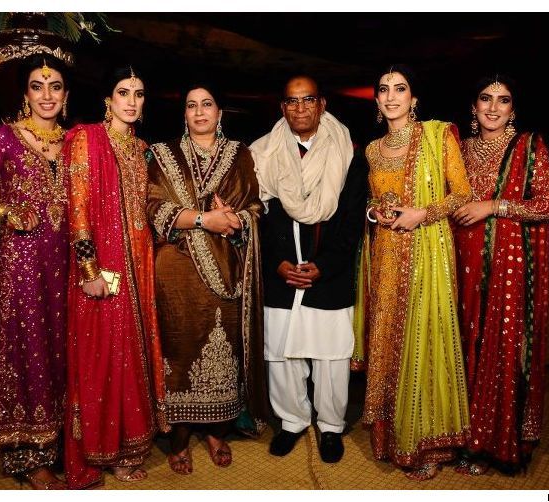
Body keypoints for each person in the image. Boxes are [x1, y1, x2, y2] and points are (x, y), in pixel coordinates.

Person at [0, 54, 70, 489]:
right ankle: (27, 452)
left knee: (64, 351)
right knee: (27, 350)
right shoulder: (3, 137)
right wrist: (6, 209)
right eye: (38, 87)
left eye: (55, 87)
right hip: (21, 266)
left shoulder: (74, 142)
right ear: (25, 94)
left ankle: (62, 443)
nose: (47, 95)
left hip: (67, 266)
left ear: (66, 95)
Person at [146, 81, 269, 475]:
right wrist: (204, 219)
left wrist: (236, 219)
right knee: (179, 348)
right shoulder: (162, 155)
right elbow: (153, 206)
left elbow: (255, 207)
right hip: (175, 269)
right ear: (184, 114)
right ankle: (179, 437)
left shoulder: (240, 154)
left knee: (224, 349)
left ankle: (218, 430)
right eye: (191, 105)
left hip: (227, 267)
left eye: (207, 104)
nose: (199, 112)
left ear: (219, 113)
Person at [360, 65, 472, 480]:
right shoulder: (372, 149)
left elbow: (462, 194)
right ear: (377, 100)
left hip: (428, 250)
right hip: (387, 253)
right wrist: (374, 212)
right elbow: (373, 199)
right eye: (384, 89)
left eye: (400, 89)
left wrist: (422, 213)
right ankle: (391, 438)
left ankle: (427, 442)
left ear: (414, 98)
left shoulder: (437, 137)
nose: (391, 96)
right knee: (389, 338)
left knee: (424, 337)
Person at [250, 75, 366, 464]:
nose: (300, 108)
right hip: (281, 274)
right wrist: (277, 264)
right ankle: (292, 421)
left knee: (332, 358)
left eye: (308, 100)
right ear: (282, 108)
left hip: (328, 275)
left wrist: (324, 266)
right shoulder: (262, 154)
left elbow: (352, 222)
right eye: (292, 101)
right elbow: (257, 219)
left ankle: (331, 427)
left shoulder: (348, 153)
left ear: (322, 104)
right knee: (282, 357)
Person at [63, 65, 166, 488]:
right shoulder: (87, 139)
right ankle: (101, 447)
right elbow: (78, 207)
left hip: (138, 265)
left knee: (133, 351)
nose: (131, 101)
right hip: (103, 266)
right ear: (108, 99)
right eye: (123, 92)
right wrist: (89, 269)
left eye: (138, 94)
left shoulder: (142, 148)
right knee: (104, 354)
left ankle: (128, 446)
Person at [451, 74, 549, 474]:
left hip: (506, 269)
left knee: (499, 344)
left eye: (504, 100)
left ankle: (494, 443)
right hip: (459, 263)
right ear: (474, 106)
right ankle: (460, 437)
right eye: (485, 98)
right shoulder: (458, 149)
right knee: (462, 342)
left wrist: (494, 206)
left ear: (513, 109)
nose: (493, 107)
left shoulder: (529, 147)